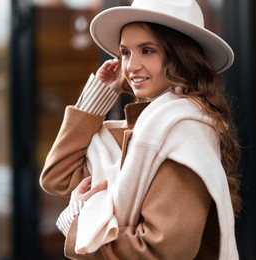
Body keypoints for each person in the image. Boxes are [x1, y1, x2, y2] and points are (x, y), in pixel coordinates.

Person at [40, 0, 241, 259]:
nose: (131, 66)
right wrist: (97, 98)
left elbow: (163, 250)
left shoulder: (183, 131)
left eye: (147, 50)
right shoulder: (147, 127)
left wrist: (80, 230)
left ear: (180, 56)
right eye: (125, 52)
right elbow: (58, 175)